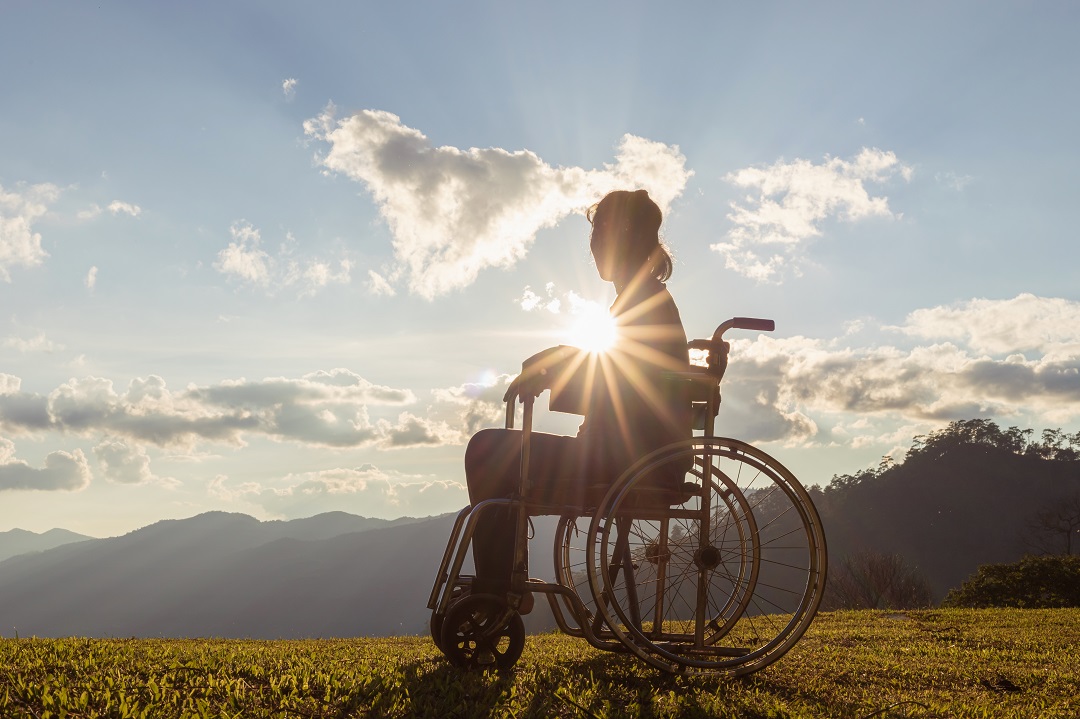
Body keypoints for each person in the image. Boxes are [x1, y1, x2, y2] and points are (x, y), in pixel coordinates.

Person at [464, 189, 691, 599]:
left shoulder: (644, 303)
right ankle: (498, 587)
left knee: (487, 450)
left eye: (601, 233)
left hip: (627, 462)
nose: (594, 245)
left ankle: (498, 591)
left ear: (626, 238)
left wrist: (557, 362)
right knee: (492, 450)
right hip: (625, 455)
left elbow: (625, 380)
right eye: (594, 236)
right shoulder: (642, 299)